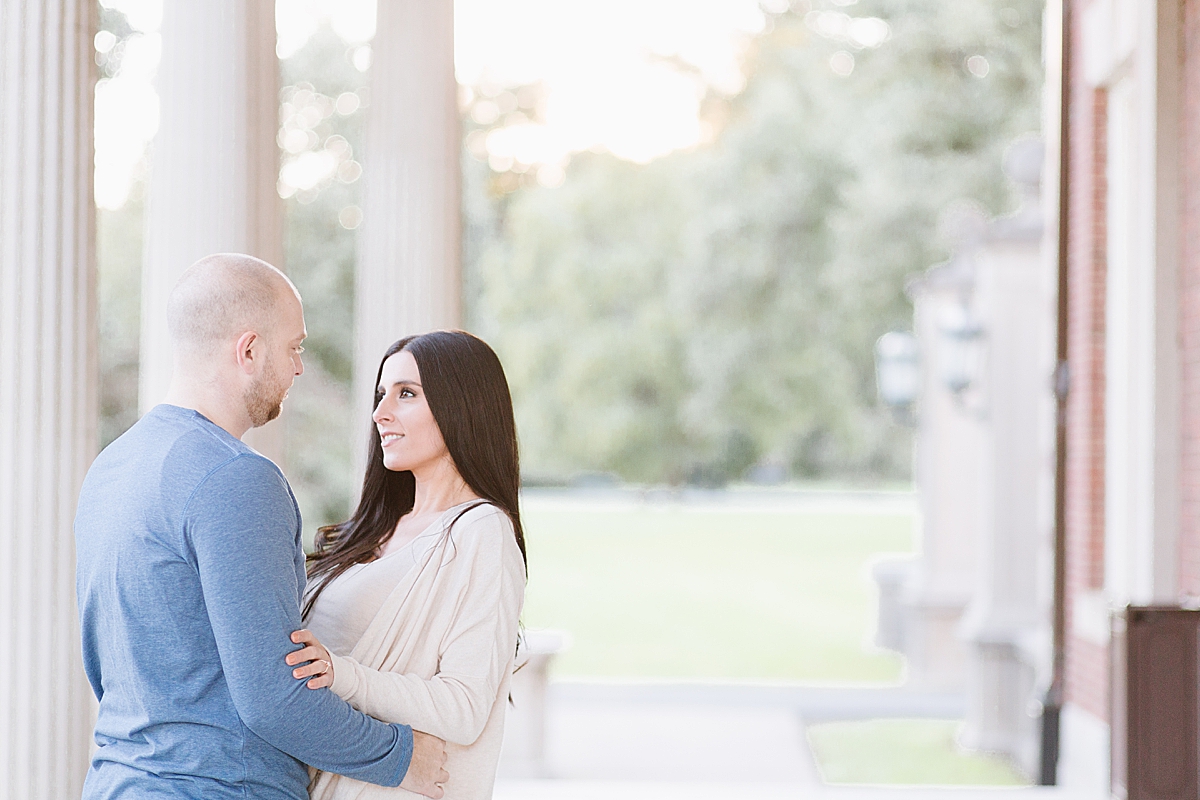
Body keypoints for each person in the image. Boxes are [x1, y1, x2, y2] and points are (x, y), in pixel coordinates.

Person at [74, 254, 449, 800]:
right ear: (249, 350)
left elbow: (110, 669)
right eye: (294, 348)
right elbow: (275, 696)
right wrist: (404, 756)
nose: (299, 367)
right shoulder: (236, 478)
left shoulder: (111, 466)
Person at [283, 331, 528, 800]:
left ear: (463, 406)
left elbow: (463, 706)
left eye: (407, 394)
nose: (381, 413)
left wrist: (343, 674)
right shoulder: (372, 530)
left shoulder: (481, 533)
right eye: (381, 395)